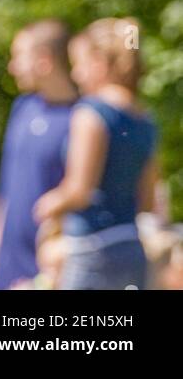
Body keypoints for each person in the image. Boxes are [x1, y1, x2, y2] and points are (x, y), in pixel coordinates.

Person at [34, 17, 158, 290]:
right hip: (132, 249)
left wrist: (49, 204)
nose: (76, 75)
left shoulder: (91, 112)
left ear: (99, 63)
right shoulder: (144, 119)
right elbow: (148, 201)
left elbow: (79, 190)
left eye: (79, 64)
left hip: (92, 251)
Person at [0, 19, 77, 290]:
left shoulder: (82, 119)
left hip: (50, 270)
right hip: (5, 267)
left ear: (43, 60)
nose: (12, 67)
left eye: (18, 57)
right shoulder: (22, 108)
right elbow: (6, 189)